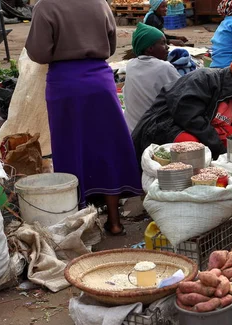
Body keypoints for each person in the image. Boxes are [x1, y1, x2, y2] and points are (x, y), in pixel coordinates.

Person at [25, 0, 143, 236]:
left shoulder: (46, 6)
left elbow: (38, 53)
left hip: (65, 84)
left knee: (70, 149)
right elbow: (110, 48)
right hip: (100, 81)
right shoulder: (99, 2)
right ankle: (115, 221)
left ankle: (81, 225)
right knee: (107, 147)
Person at [131, 57, 232, 161]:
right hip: (165, 126)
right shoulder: (204, 79)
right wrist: (218, 149)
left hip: (200, 125)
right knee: (192, 147)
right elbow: (190, 119)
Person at [123, 23, 181, 133]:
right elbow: (182, 96)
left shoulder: (130, 65)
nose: (167, 47)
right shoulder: (164, 67)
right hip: (152, 132)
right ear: (150, 48)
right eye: (163, 43)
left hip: (130, 130)